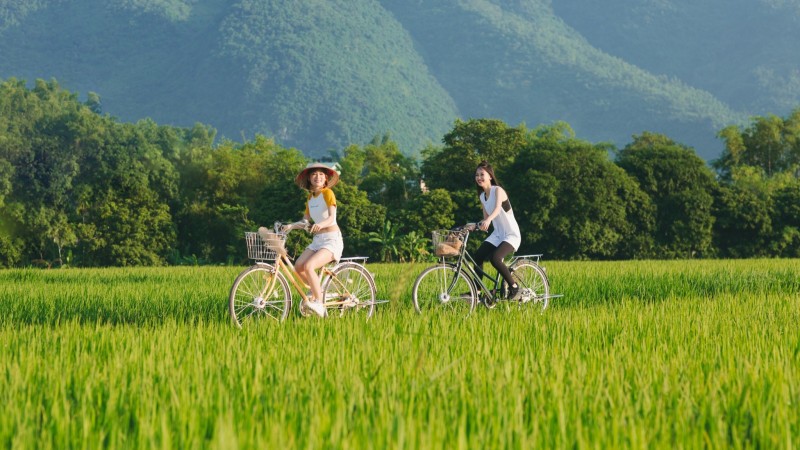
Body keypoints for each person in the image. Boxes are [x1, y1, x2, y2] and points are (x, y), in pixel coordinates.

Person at [275, 162, 343, 317]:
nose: (317, 177)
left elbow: (332, 218)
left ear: (326, 178)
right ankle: (316, 290)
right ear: (309, 179)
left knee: (310, 266)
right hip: (318, 240)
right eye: (314, 174)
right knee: (298, 266)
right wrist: (291, 226)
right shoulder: (310, 198)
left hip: (331, 240)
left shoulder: (328, 193)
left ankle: (319, 303)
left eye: (321, 174)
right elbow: (305, 221)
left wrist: (320, 224)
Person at [473, 160, 522, 300]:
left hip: (511, 235)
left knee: (495, 258)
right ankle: (477, 292)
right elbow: (485, 219)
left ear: (490, 176)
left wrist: (488, 220)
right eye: (476, 175)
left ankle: (514, 287)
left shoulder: (498, 190)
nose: (479, 177)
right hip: (498, 235)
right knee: (478, 256)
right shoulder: (482, 196)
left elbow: (496, 209)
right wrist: (474, 225)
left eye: (482, 174)